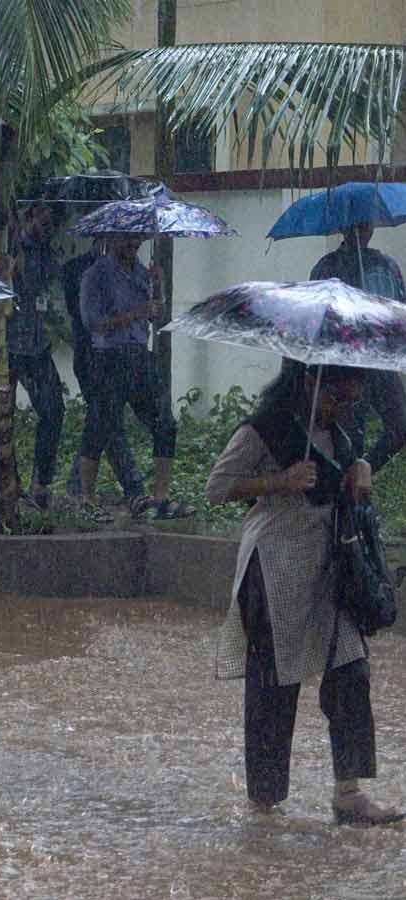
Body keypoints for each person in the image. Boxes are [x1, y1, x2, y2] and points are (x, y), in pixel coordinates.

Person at [206, 361, 404, 826]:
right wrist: (280, 481)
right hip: (274, 567)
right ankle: (265, 801)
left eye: (354, 401)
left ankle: (349, 793)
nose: (344, 409)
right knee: (275, 683)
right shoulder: (264, 429)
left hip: (329, 566)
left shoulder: (342, 431)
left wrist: (358, 473)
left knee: (351, 671)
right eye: (338, 398)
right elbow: (216, 488)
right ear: (310, 381)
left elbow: (340, 482)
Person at [78, 234, 193, 519]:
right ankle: (86, 499)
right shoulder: (97, 275)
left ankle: (161, 499)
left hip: (140, 355)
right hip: (109, 357)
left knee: (165, 423)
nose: (133, 246)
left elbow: (155, 316)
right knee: (99, 428)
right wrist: (133, 314)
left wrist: (159, 286)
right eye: (127, 241)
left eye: (137, 241)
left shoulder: (142, 273)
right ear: (114, 240)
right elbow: (92, 323)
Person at [310, 224, 406, 473]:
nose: (363, 229)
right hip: (345, 364)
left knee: (401, 426)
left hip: (380, 359)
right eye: (356, 224)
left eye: (366, 223)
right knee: (350, 435)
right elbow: (319, 313)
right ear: (343, 228)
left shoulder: (385, 264)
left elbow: (399, 308)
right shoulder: (327, 266)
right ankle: (345, 494)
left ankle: (363, 473)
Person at [7, 202, 65, 509]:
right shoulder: (8, 243)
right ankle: (8, 483)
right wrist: (10, 268)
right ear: (32, 214)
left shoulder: (46, 252)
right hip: (5, 344)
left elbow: (48, 288)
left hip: (36, 344)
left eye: (54, 223)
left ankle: (40, 483)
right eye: (45, 219)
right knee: (2, 417)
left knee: (53, 410)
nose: (50, 226)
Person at [62, 243, 97, 499]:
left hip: (123, 355)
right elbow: (83, 317)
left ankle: (78, 485)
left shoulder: (134, 271)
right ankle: (78, 486)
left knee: (105, 420)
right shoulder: (77, 269)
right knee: (104, 419)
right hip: (90, 353)